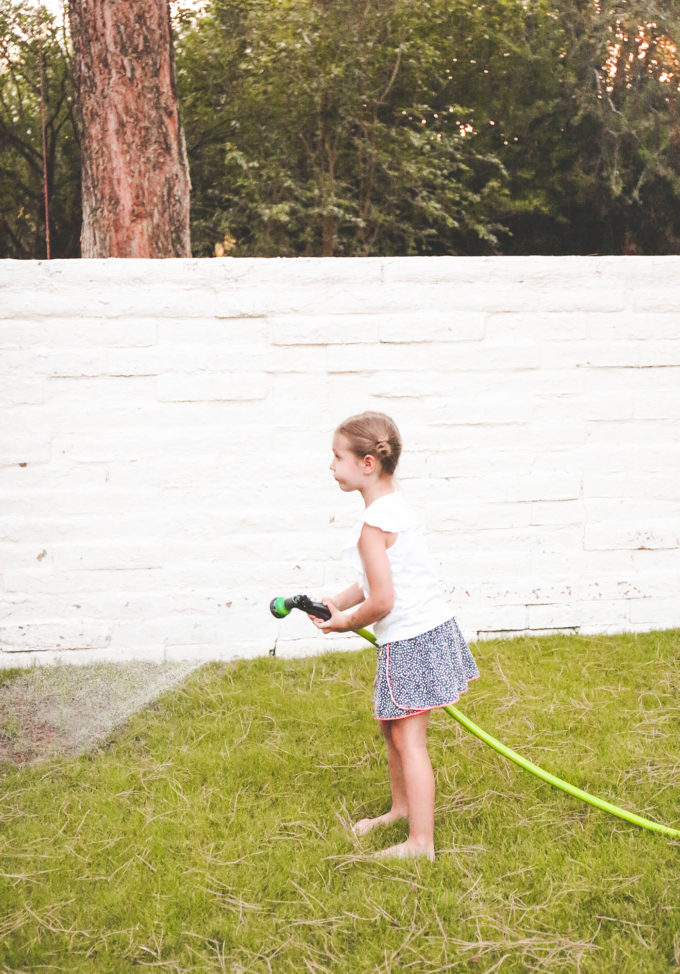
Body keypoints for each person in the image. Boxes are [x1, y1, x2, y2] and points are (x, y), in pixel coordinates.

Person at [311, 410, 480, 861]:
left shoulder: (373, 526)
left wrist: (344, 623)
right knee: (392, 732)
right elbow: (375, 582)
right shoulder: (393, 506)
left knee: (409, 740)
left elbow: (382, 601)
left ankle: (420, 844)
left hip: (411, 640)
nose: (331, 466)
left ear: (367, 463)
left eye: (337, 456)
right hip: (425, 632)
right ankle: (401, 810)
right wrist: (337, 602)